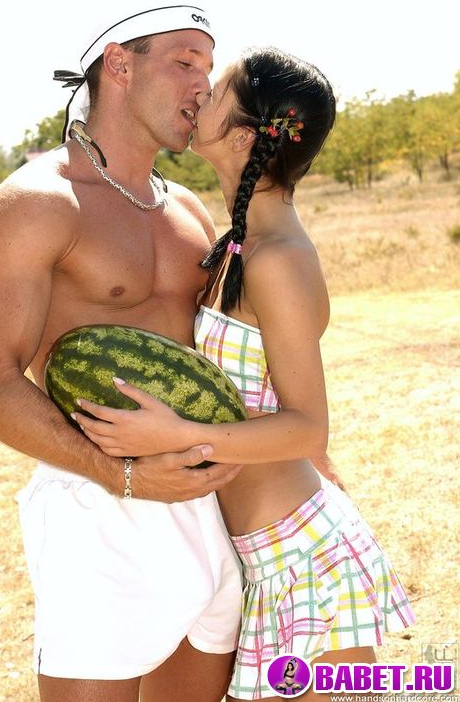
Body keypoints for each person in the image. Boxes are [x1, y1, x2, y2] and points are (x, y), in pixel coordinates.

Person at [73, 47, 416, 701]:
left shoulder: (277, 260)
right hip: (261, 552)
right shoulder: (237, 244)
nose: (200, 92)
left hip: (300, 556)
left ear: (244, 138)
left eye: (218, 89)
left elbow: (308, 425)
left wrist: (178, 435)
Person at [0, 4, 249, 702]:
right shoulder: (37, 203)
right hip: (99, 508)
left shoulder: (189, 209)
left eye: (209, 68)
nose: (204, 86)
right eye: (184, 62)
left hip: (209, 506)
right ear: (120, 64)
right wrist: (119, 474)